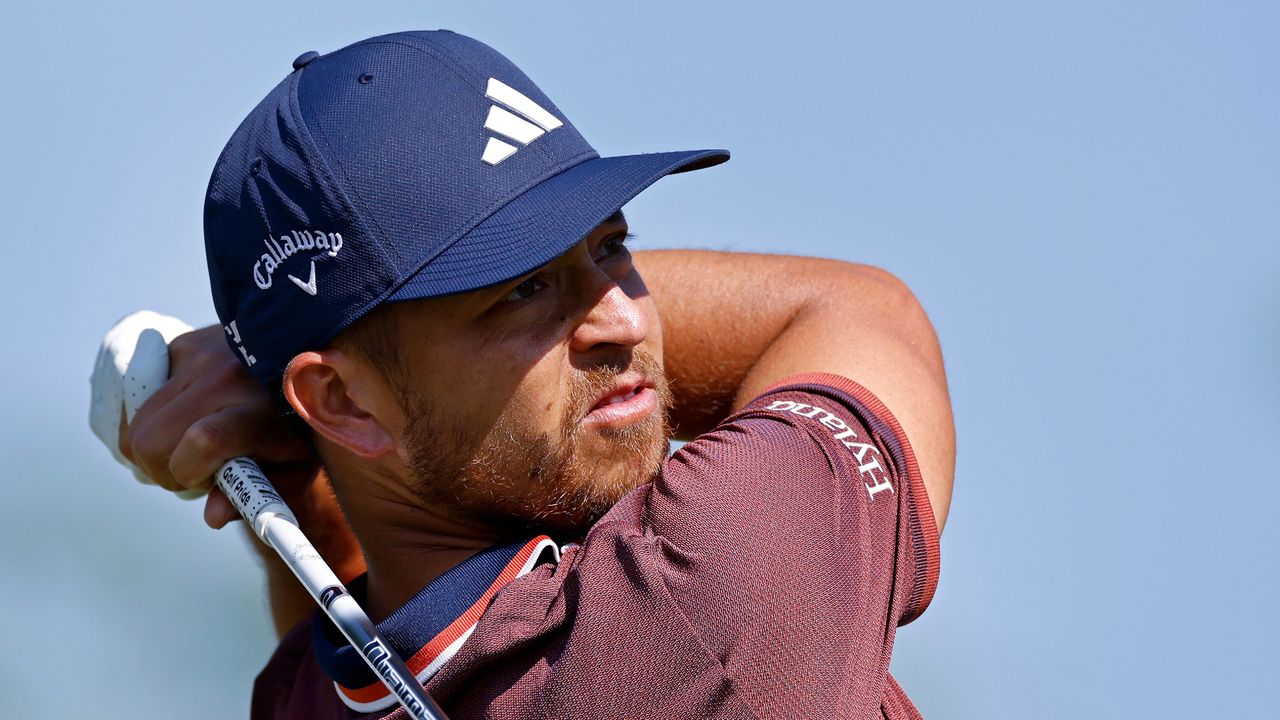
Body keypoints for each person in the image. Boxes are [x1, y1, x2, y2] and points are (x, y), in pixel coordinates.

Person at [108, 30, 955, 719]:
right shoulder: (702, 590)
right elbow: (855, 311)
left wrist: (298, 447)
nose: (626, 320)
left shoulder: (301, 696)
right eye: (524, 290)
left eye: (611, 246)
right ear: (342, 401)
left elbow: (374, 627)